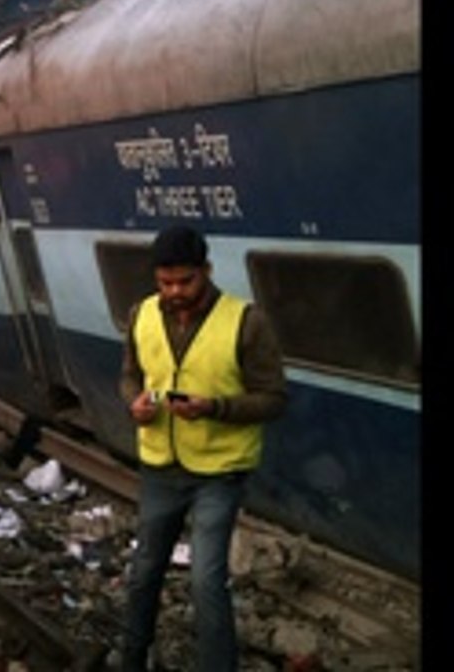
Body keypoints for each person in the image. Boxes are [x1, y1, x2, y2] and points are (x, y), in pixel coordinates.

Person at [118, 225, 287, 672]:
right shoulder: (141, 314)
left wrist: (216, 407)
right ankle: (132, 660)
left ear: (207, 271)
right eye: (165, 283)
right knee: (144, 571)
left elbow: (274, 398)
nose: (175, 292)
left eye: (185, 282)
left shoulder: (247, 321)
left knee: (205, 581)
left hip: (219, 472)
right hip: (160, 466)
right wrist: (132, 402)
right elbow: (130, 375)